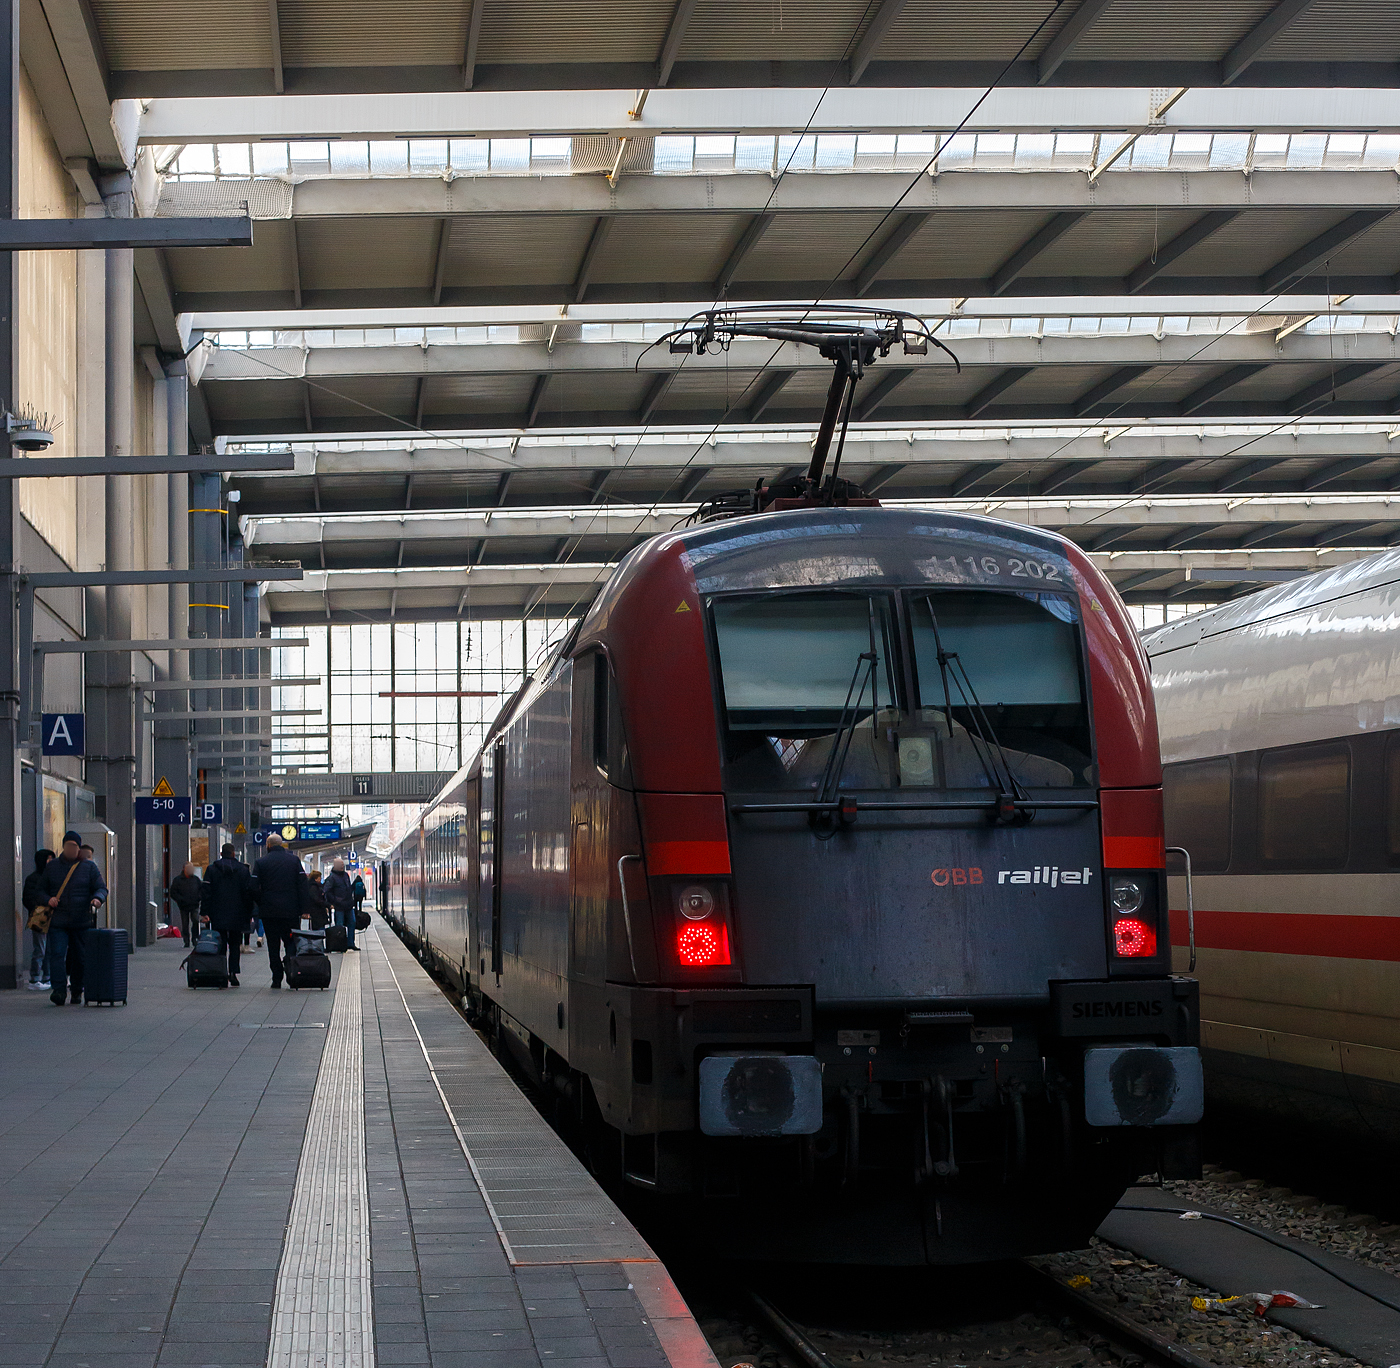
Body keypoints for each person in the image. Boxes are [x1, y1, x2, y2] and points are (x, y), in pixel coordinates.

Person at [39, 831, 107, 1006]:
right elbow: (39, 890)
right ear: (63, 846)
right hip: (58, 920)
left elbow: (101, 887)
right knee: (57, 955)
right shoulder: (52, 867)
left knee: (80, 957)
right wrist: (48, 899)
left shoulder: (89, 867)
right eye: (69, 845)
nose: (71, 849)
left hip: (81, 920)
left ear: (78, 848)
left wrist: (97, 899)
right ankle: (59, 990)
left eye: (75, 846)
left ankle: (77, 989)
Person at [252, 834, 308, 988]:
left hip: (269, 912)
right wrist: (303, 908)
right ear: (282, 844)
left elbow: (253, 887)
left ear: (268, 845)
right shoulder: (294, 861)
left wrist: (261, 902)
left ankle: (276, 978)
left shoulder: (261, 862)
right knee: (291, 942)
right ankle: (291, 972)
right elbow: (303, 886)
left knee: (273, 944)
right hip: (290, 912)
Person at [201, 843, 255, 987]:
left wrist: (204, 912)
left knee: (220, 943)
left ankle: (221, 973)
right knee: (235, 944)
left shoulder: (212, 870)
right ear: (233, 854)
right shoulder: (243, 871)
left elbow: (206, 892)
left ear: (221, 854)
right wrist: (250, 913)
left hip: (217, 913)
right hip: (238, 913)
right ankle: (233, 973)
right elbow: (248, 893)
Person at [22, 849, 54, 990]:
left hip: (49, 915)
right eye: (48, 859)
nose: (50, 862)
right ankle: (35, 978)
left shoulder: (50, 877)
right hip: (39, 915)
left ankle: (46, 976)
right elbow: (28, 898)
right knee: (40, 948)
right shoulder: (34, 878)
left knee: (48, 948)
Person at [168, 862, 204, 947]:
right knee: (185, 923)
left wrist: (198, 898)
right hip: (183, 905)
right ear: (184, 869)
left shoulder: (196, 880)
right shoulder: (178, 880)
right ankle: (186, 940)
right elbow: (173, 892)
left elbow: (201, 890)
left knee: (195, 920)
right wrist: (180, 900)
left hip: (194, 904)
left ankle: (194, 938)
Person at [325, 859, 358, 952]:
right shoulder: (332, 878)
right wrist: (335, 900)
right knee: (339, 926)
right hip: (339, 906)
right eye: (341, 865)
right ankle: (340, 944)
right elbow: (327, 891)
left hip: (348, 905)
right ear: (336, 866)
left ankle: (350, 943)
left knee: (352, 923)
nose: (342, 866)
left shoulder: (346, 875)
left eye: (343, 864)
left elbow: (348, 888)